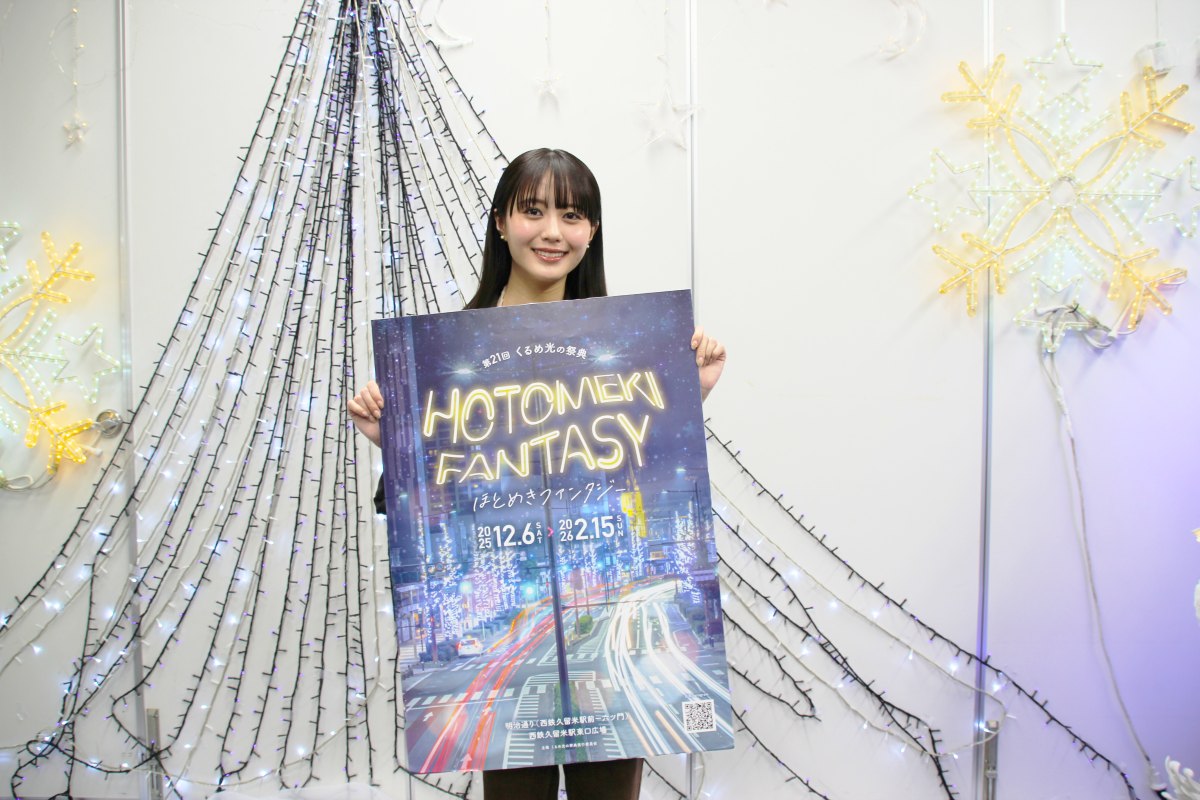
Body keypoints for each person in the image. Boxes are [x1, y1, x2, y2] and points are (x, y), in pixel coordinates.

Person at [348, 148, 726, 800]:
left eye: (572, 215)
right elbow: (424, 516)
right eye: (534, 211)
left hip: (605, 628)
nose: (553, 232)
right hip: (505, 634)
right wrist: (398, 446)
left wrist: (690, 395)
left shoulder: (627, 349)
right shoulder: (447, 353)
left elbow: (646, 489)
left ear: (592, 231)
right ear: (501, 222)